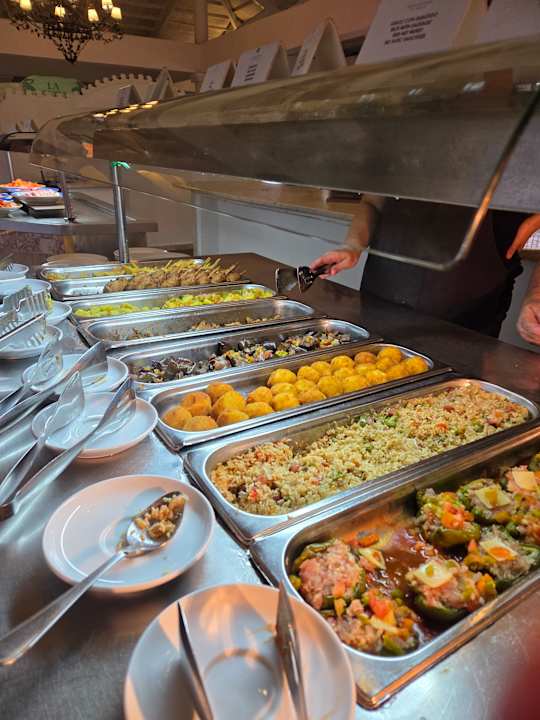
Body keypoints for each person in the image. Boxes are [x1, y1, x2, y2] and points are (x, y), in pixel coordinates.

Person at [311, 197, 540, 343]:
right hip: (380, 299)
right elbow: (372, 202)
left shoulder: (520, 144)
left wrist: (537, 295)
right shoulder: (403, 140)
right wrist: (352, 246)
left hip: (466, 327)